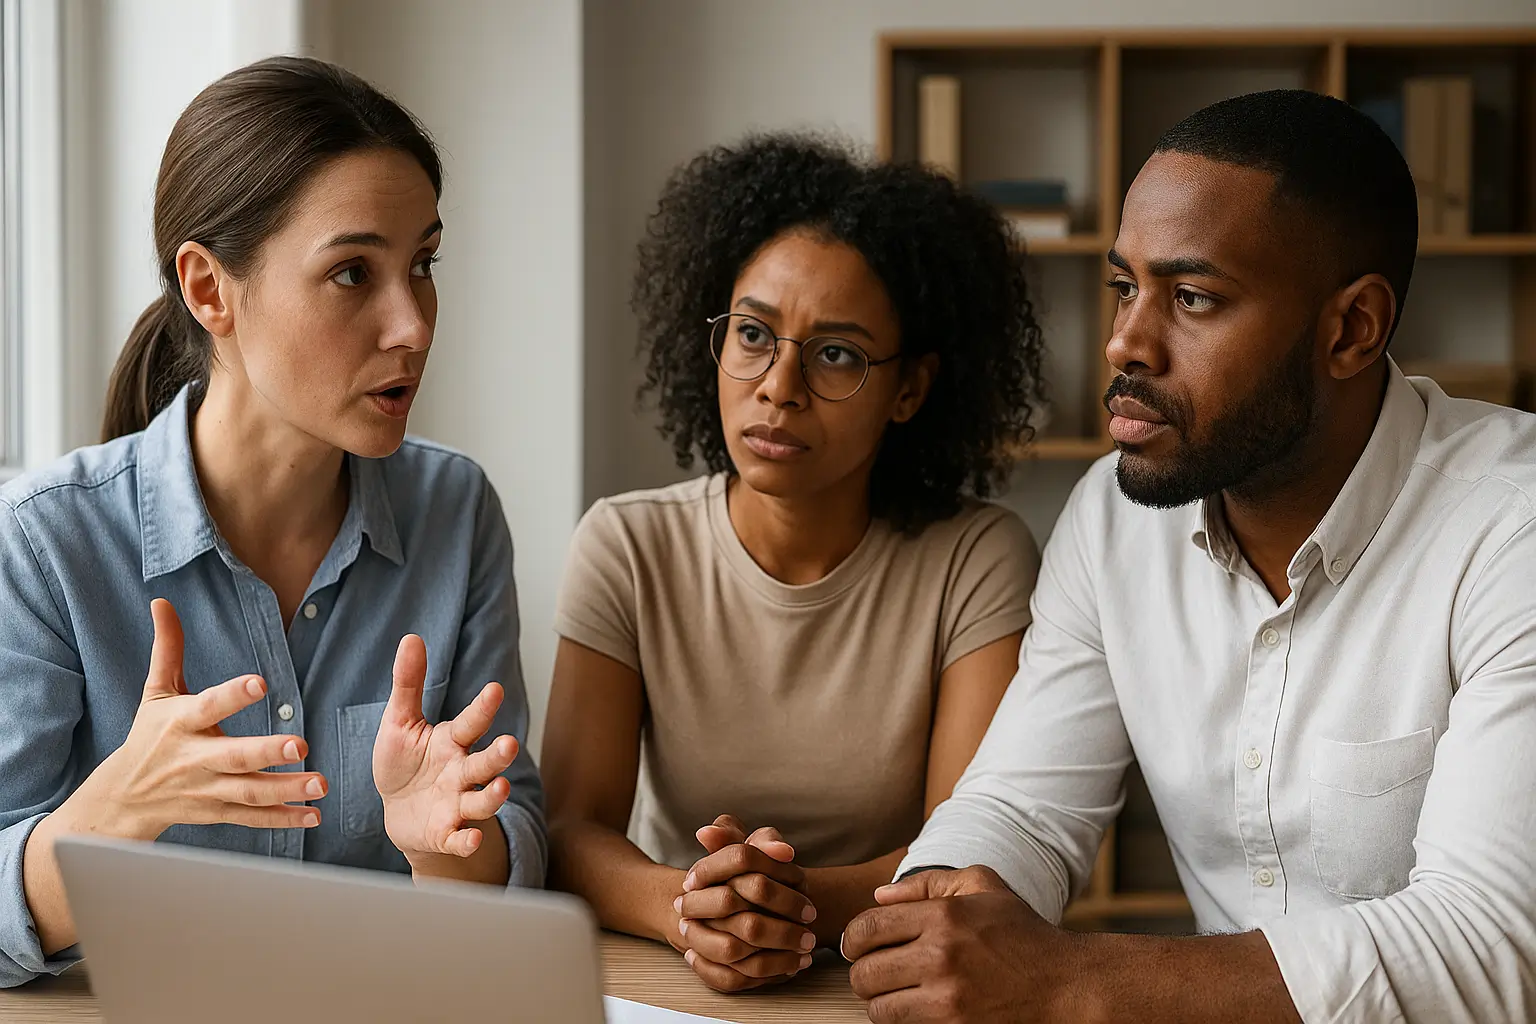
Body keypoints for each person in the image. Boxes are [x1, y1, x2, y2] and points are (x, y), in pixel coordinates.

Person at [840, 88, 1536, 1023]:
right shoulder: (1112, 517)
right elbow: (1020, 809)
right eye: (1124, 287)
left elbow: (1492, 948)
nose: (1125, 342)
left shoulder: (1513, 526)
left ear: (1351, 330)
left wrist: (1065, 980)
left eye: (1193, 298)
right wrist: (931, 923)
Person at [0, 56, 545, 988]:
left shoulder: (457, 511)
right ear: (210, 290)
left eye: (422, 265)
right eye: (352, 273)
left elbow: (517, 837)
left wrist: (444, 846)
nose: (413, 324)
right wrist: (116, 811)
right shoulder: (45, 543)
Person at [543, 134, 1044, 993]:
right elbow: (567, 829)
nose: (779, 385)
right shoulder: (627, 546)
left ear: (911, 390)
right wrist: (691, 909)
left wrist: (787, 908)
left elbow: (965, 846)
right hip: (677, 971)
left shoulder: (976, 559)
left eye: (836, 353)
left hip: (892, 976)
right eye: (752, 334)